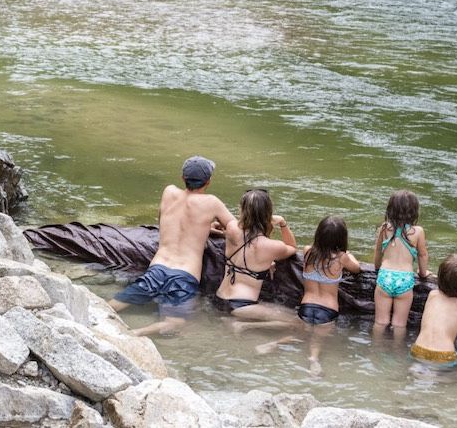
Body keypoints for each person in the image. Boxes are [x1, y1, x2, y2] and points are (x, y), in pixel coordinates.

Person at [108, 155, 237, 336]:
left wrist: (205, 227)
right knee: (175, 323)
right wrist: (215, 229)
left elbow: (163, 220)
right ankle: (133, 334)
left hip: (157, 268)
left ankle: (99, 319)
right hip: (184, 275)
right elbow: (235, 230)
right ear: (208, 182)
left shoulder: (169, 191)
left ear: (183, 178)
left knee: (113, 305)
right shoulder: (212, 202)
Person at [256, 214, 361, 374]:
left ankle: (276, 343)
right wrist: (349, 255)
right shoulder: (342, 258)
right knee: (317, 339)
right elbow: (357, 268)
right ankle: (313, 358)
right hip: (327, 310)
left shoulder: (308, 251)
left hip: (306, 306)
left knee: (300, 334)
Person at [214, 189, 298, 330]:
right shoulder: (271, 246)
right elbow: (292, 246)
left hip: (219, 298)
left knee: (280, 312)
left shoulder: (231, 227)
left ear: (243, 210)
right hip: (241, 305)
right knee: (296, 322)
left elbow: (242, 232)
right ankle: (243, 326)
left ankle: (236, 322)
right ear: (268, 213)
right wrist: (283, 223)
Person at [373, 189, 429, 330]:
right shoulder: (418, 231)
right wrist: (423, 273)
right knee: (399, 324)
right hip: (405, 279)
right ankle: (397, 350)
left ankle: (375, 350)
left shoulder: (384, 228)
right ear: (414, 211)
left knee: (380, 322)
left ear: (390, 209)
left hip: (385, 277)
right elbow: (422, 255)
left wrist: (377, 268)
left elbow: (378, 251)